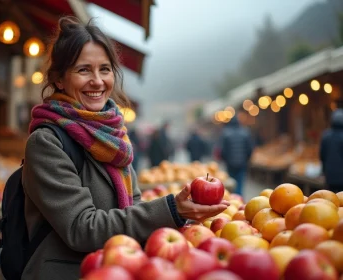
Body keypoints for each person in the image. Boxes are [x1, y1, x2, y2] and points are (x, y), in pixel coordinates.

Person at [21, 16, 229, 280]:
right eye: (83, 70)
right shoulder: (47, 142)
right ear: (59, 80)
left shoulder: (113, 137)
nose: (97, 81)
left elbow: (135, 204)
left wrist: (180, 217)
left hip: (118, 268)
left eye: (105, 69)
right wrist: (172, 210)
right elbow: (82, 228)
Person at [219, 116, 253, 196]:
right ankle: (239, 197)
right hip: (242, 162)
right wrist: (247, 159)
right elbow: (249, 149)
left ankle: (232, 197)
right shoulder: (245, 132)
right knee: (240, 182)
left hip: (230, 163)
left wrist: (225, 159)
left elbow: (222, 150)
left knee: (231, 182)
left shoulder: (226, 133)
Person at [320, 108, 343, 193]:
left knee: (332, 200)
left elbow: (322, 155)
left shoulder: (326, 135)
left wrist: (323, 170)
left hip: (330, 176)